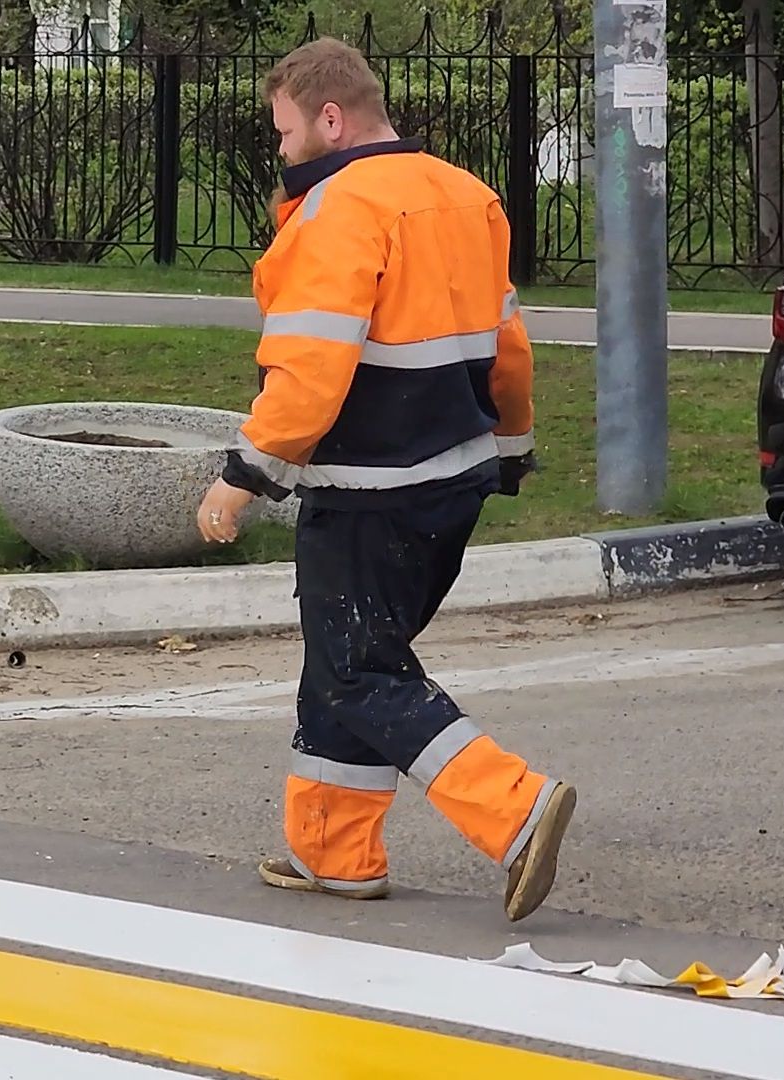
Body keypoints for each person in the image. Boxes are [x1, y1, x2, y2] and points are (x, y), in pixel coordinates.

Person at [195, 37, 575, 922]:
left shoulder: (340, 208)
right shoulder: (464, 194)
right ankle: (333, 851)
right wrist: (512, 445)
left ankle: (515, 811)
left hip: (371, 485)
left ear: (331, 119)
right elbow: (508, 345)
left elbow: (312, 365)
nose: (281, 149)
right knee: (347, 660)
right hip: (455, 480)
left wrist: (244, 473)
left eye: (285, 131)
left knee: (360, 670)